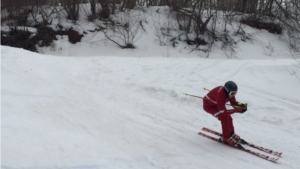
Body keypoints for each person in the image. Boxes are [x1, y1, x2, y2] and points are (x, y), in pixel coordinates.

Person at [203, 81, 247, 147]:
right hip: (209, 106)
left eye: (235, 93)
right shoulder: (221, 96)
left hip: (216, 105)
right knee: (225, 118)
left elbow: (233, 103)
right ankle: (226, 138)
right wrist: (236, 110)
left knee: (229, 118)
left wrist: (241, 107)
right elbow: (223, 112)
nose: (233, 95)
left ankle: (231, 134)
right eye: (232, 93)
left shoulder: (230, 94)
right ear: (227, 91)